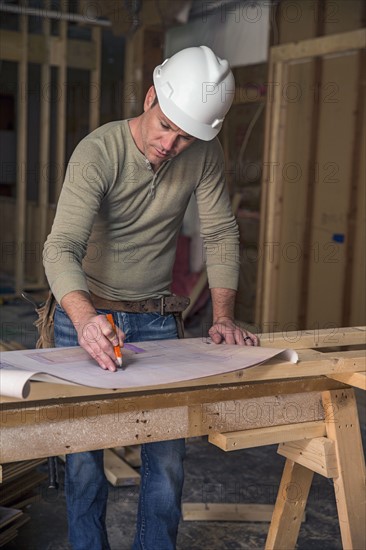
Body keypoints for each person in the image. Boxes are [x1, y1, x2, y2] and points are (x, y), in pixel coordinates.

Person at [43, 45, 258, 550]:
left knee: (167, 459)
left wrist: (223, 316)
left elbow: (222, 234)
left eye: (185, 137)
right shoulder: (98, 151)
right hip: (86, 315)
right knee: (84, 463)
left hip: (157, 317)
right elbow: (60, 248)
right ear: (149, 97)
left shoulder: (203, 152)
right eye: (165, 126)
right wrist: (87, 317)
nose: (170, 143)